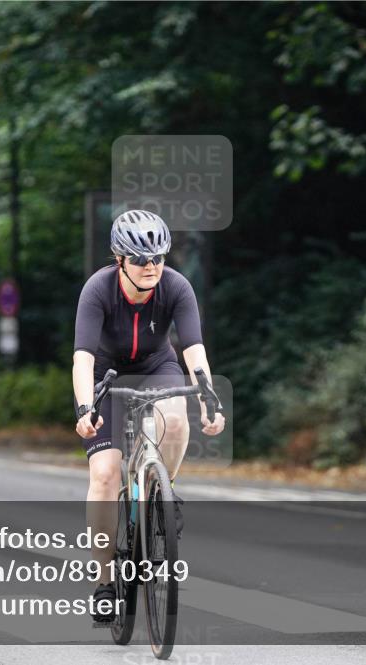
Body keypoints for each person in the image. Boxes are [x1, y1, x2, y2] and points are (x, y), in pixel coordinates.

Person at [72, 210, 225, 622]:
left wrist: (209, 398)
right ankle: (105, 582)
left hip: (158, 367)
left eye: (158, 257)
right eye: (140, 259)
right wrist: (85, 407)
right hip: (105, 376)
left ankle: (162, 492)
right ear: (120, 259)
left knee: (175, 420)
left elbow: (194, 350)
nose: (151, 266)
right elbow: (83, 358)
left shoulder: (176, 286)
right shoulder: (98, 289)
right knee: (105, 475)